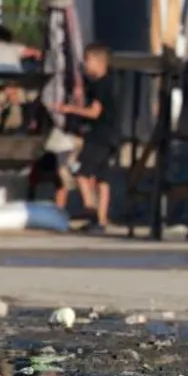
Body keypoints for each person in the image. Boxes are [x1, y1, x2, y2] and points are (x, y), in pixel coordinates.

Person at [54, 43, 118, 234]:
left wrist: (69, 109)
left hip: (99, 135)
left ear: (99, 62)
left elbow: (94, 112)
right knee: (102, 178)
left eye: (88, 61)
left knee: (81, 172)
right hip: (113, 135)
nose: (85, 66)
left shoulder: (100, 84)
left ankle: (91, 210)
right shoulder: (113, 82)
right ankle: (102, 220)